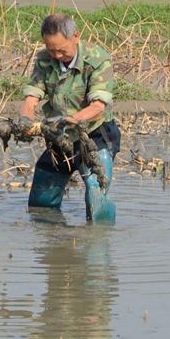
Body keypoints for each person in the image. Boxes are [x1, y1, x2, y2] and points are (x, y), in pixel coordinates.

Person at [19, 13, 120, 223]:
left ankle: (98, 242)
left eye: (61, 50)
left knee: (96, 192)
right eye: (51, 49)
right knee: (42, 199)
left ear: (75, 36)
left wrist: (72, 120)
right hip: (60, 136)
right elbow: (32, 97)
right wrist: (26, 120)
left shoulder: (98, 59)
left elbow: (98, 106)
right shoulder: (44, 59)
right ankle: (52, 243)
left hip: (94, 134)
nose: (56, 55)